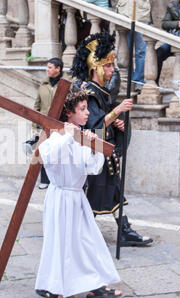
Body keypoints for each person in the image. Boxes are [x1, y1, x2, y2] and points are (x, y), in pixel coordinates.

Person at [35, 87, 122, 298]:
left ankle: (96, 284)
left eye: (86, 108)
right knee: (59, 243)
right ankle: (53, 287)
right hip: (60, 197)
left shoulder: (82, 136)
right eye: (82, 109)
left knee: (87, 240)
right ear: (68, 113)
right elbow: (48, 157)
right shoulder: (53, 136)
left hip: (77, 197)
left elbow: (92, 168)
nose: (88, 113)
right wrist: (69, 137)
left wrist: (92, 147)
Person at [72, 31, 153, 247]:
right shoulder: (88, 92)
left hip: (103, 151)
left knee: (114, 191)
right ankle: (78, 233)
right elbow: (94, 126)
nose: (111, 70)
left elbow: (104, 122)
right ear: (96, 67)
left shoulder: (100, 90)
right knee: (95, 195)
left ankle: (124, 231)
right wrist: (117, 111)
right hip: (94, 152)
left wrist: (117, 123)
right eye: (107, 66)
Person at [31, 57, 69, 189]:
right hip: (44, 125)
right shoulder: (43, 85)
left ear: (58, 69)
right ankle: (45, 180)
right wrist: (35, 125)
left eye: (50, 67)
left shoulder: (66, 85)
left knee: (59, 153)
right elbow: (37, 106)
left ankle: (59, 179)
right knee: (43, 152)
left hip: (60, 125)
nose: (47, 70)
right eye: (47, 67)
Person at [116, 0, 152, 92]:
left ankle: (138, 81)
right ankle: (128, 79)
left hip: (141, 13)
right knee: (125, 50)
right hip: (124, 11)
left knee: (141, 51)